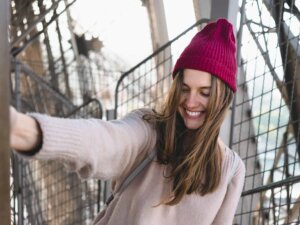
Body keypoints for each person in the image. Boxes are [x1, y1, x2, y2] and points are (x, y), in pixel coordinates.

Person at [10, 18, 245, 225]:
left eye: (204, 92)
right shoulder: (150, 129)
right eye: (185, 89)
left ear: (222, 98)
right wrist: (25, 130)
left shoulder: (232, 171)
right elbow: (106, 140)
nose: (191, 102)